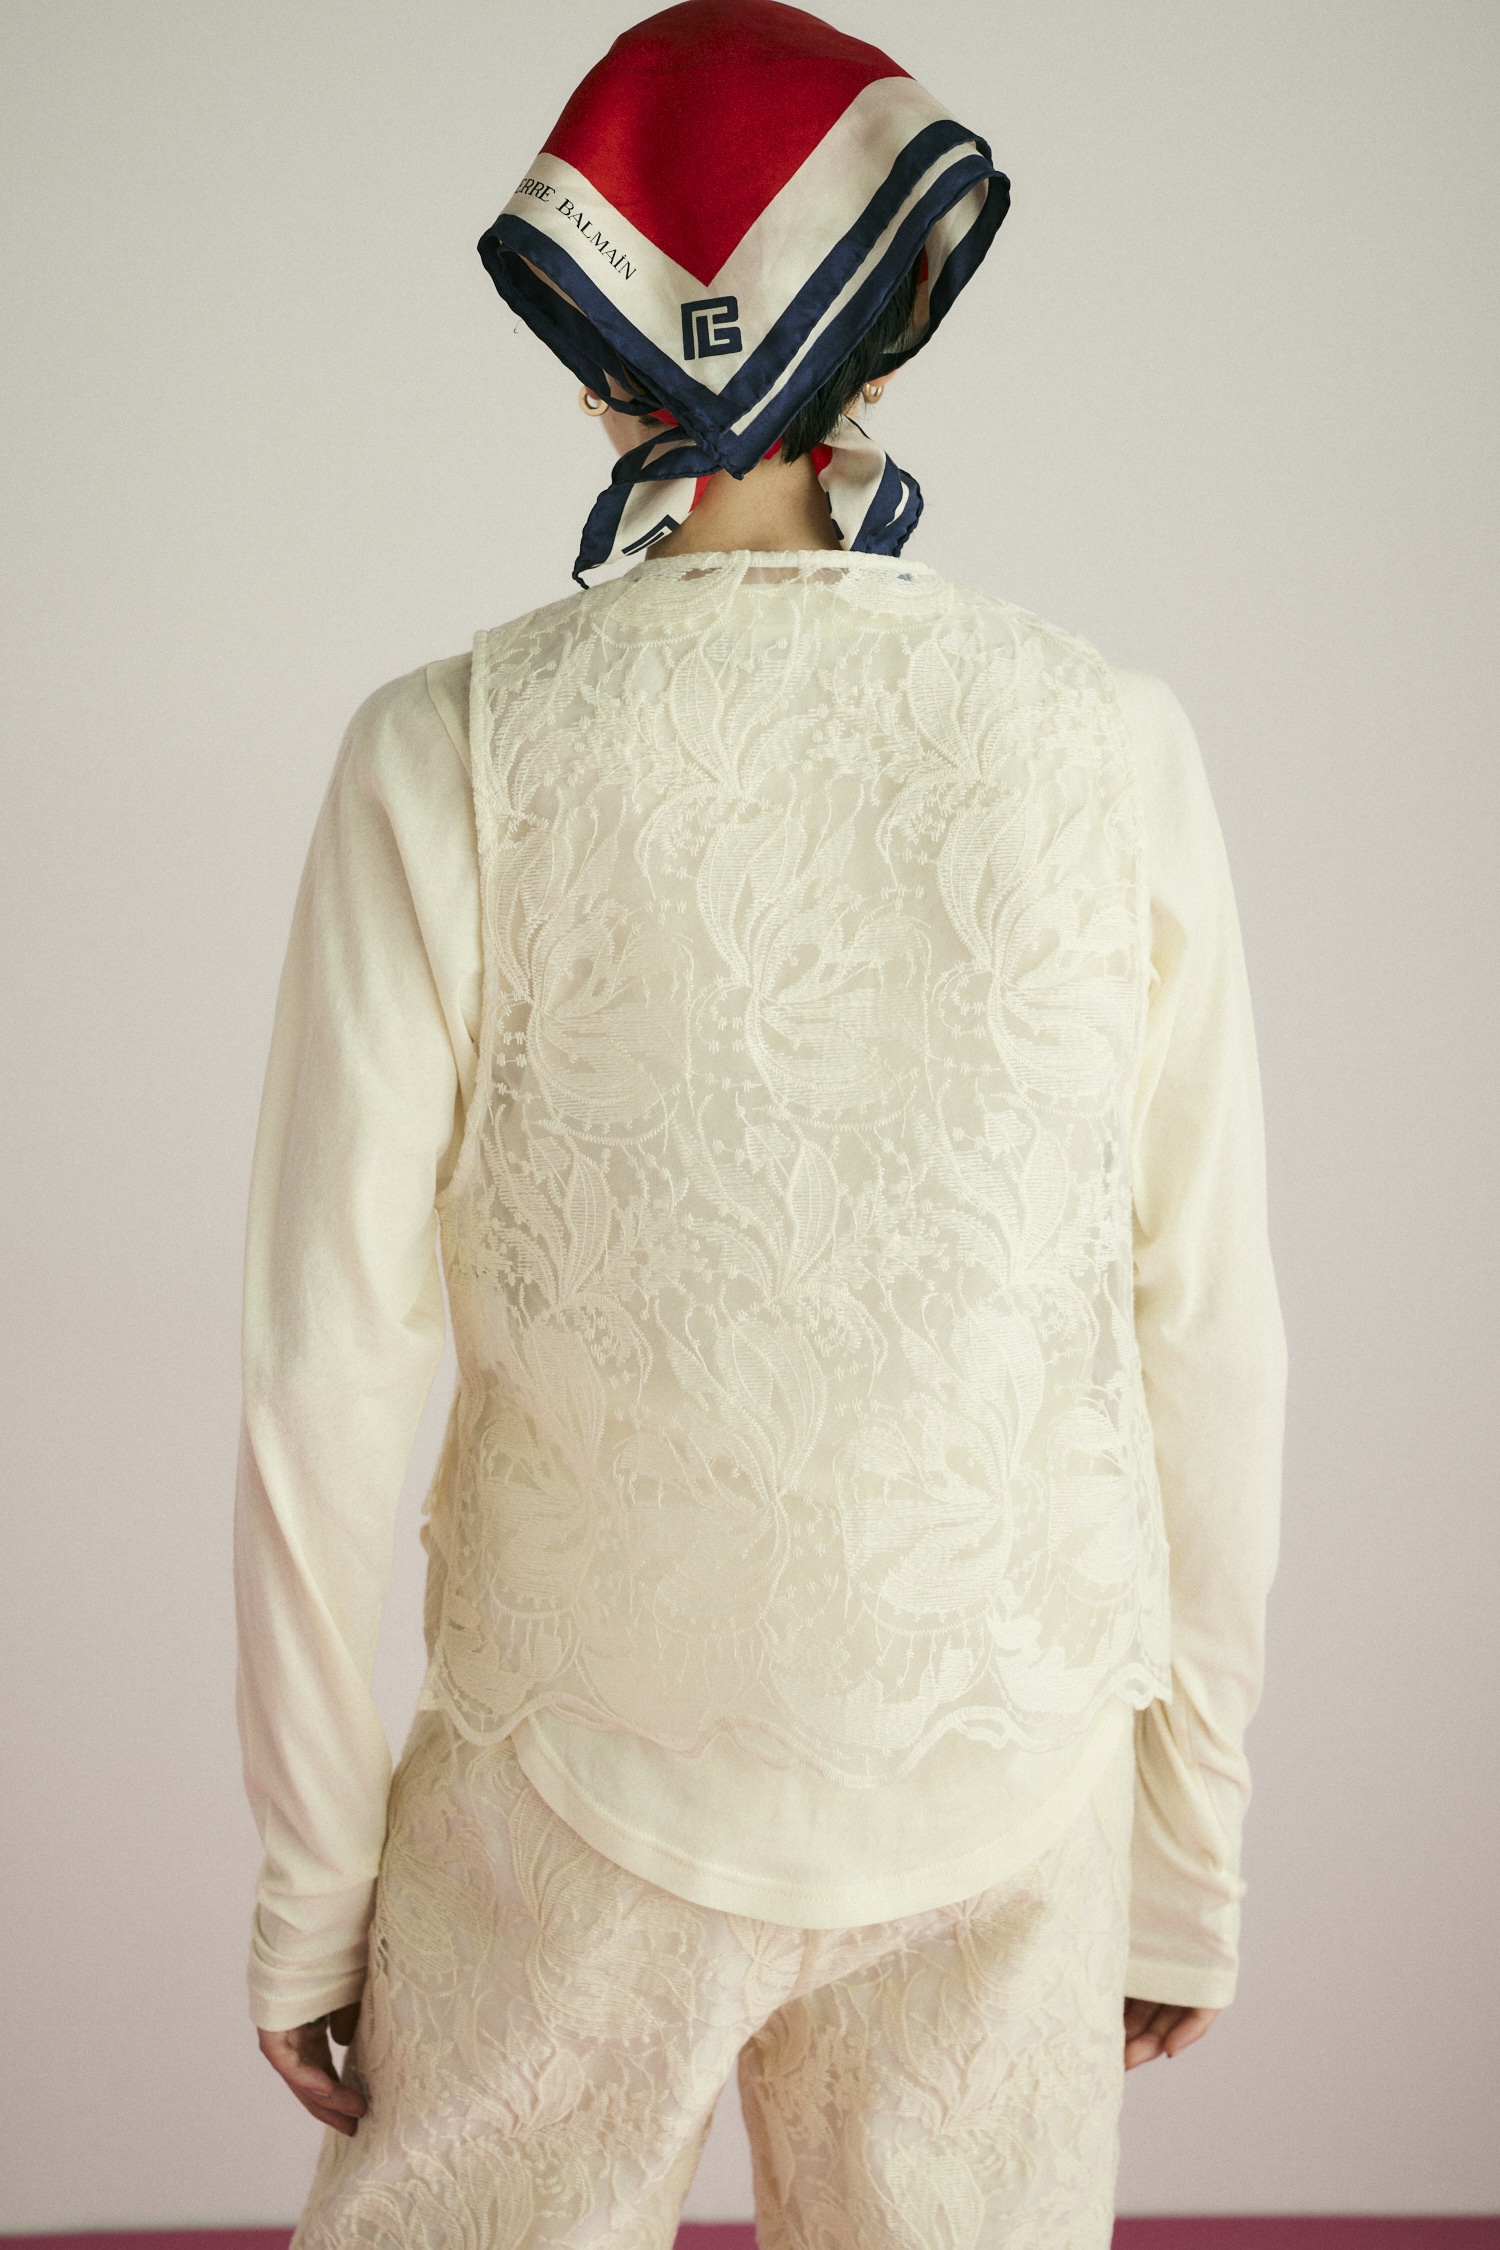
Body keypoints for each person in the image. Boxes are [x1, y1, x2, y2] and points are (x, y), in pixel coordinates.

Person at [235, 4, 1286, 2244]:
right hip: (1010, 1780)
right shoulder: (1112, 740)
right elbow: (1208, 1331)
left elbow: (323, 1371)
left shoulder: (447, 751)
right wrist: (1190, 1846)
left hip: (571, 1781)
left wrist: (316, 1880)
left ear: (595, 353)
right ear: (891, 320)